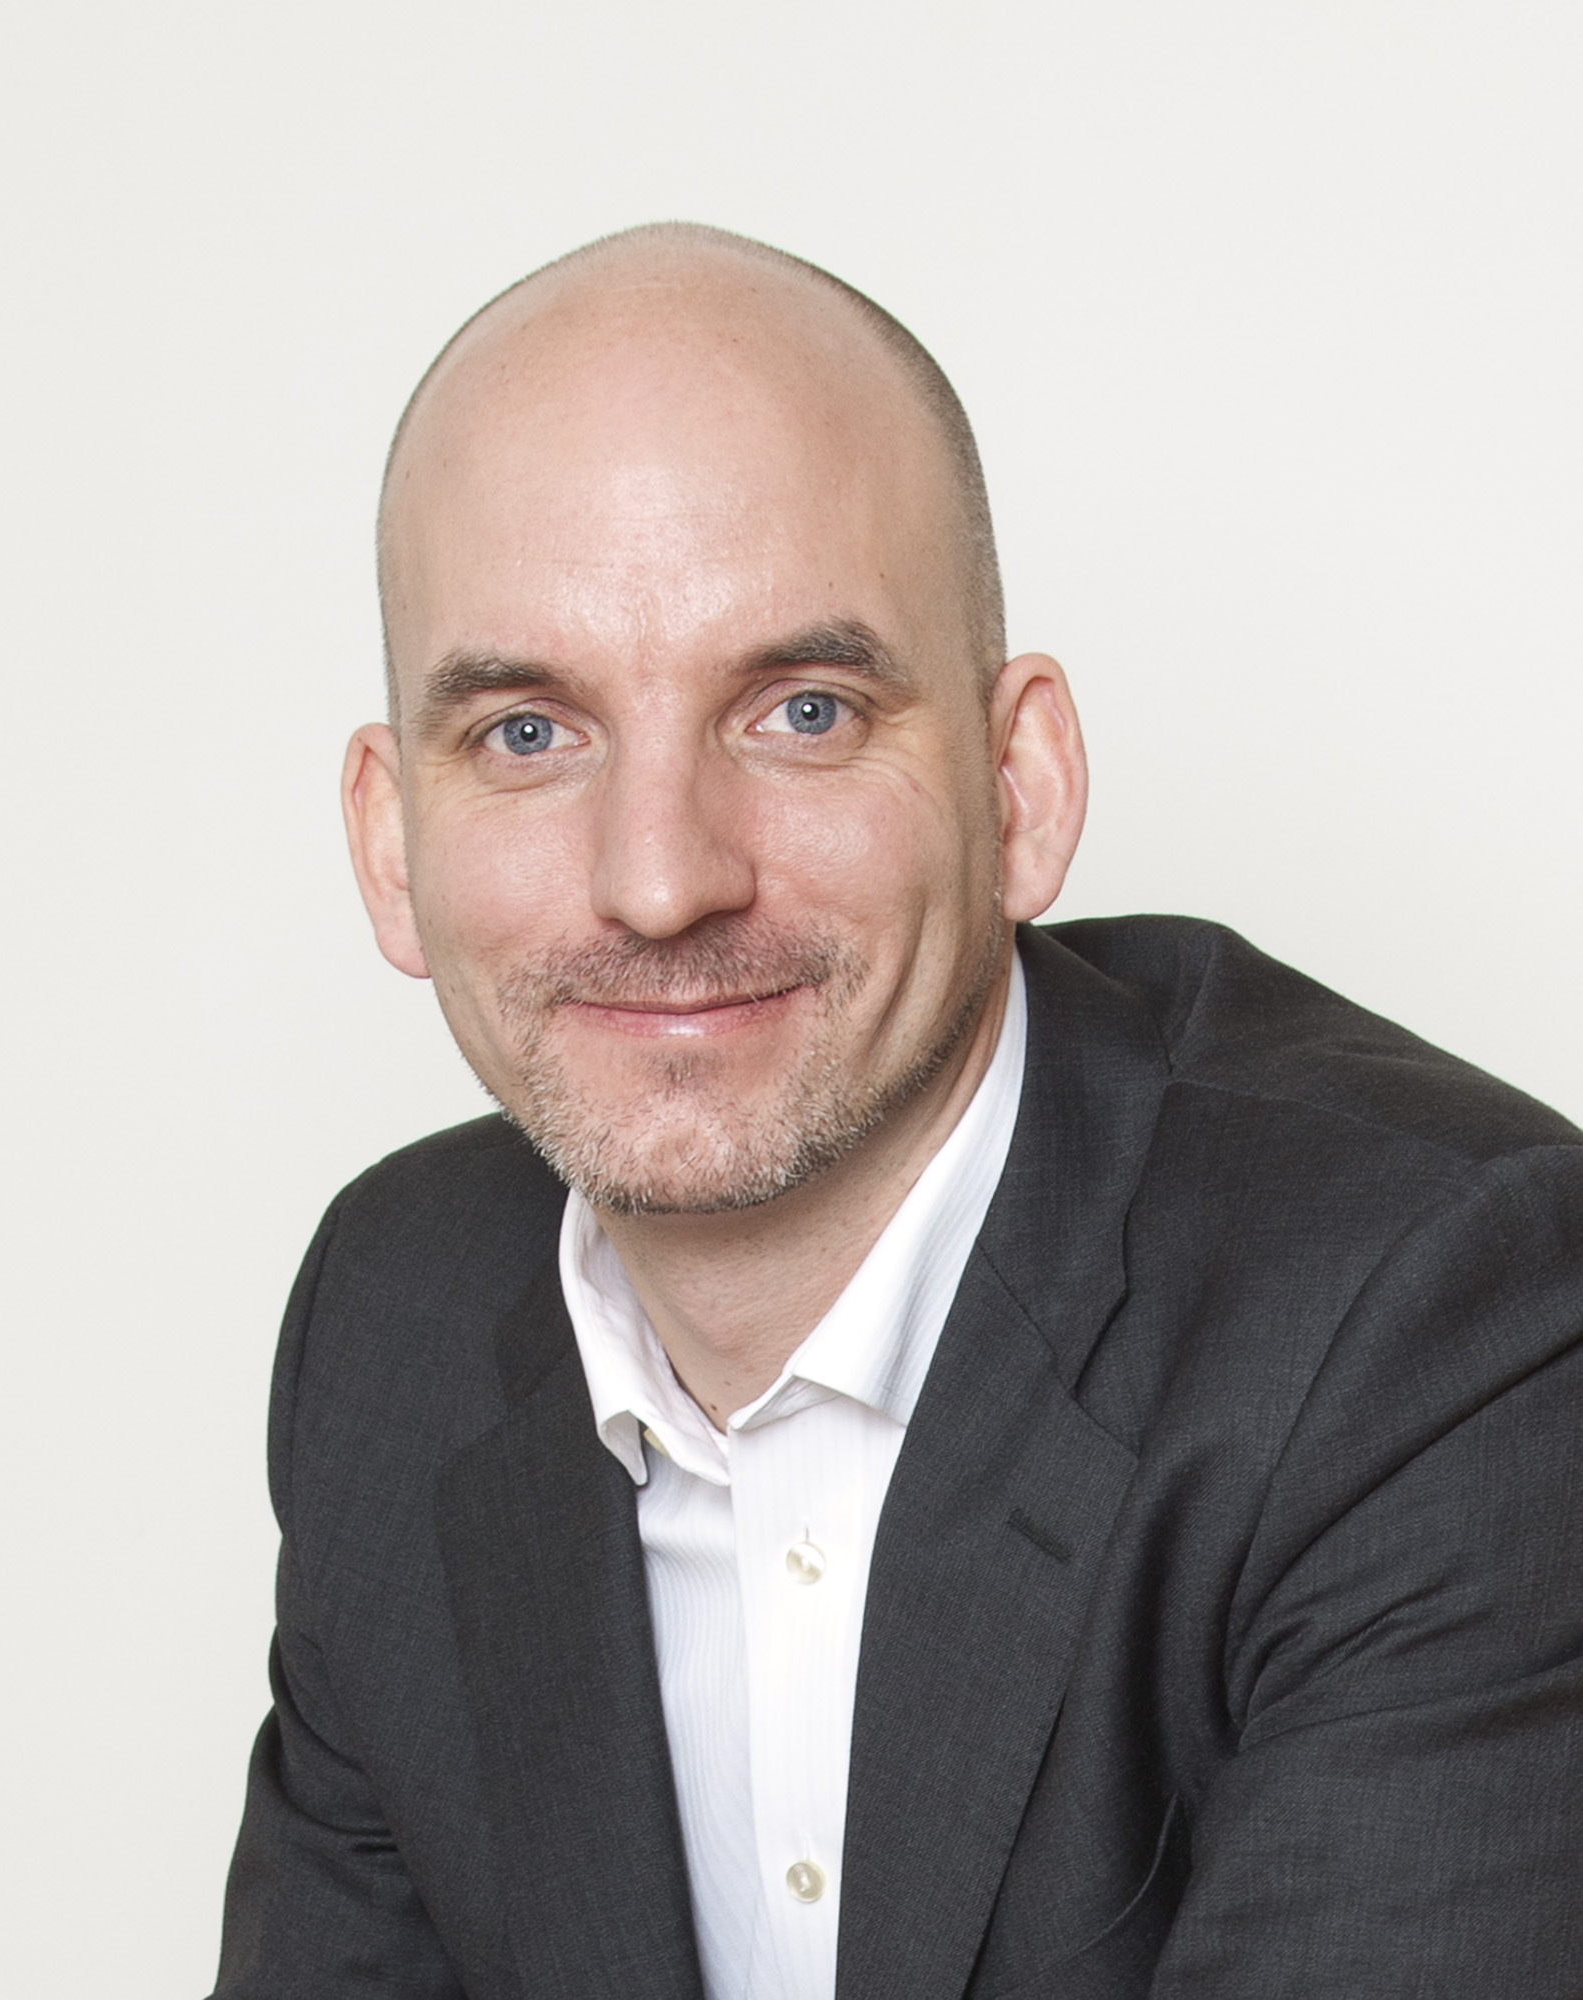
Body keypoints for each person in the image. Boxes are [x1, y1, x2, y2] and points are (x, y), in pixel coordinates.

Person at [210, 224, 1583, 2000]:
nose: (658, 882)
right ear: (391, 843)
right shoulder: (394, 1315)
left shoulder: (1440, 1324)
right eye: (529, 735)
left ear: (1018, 788)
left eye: (800, 710)